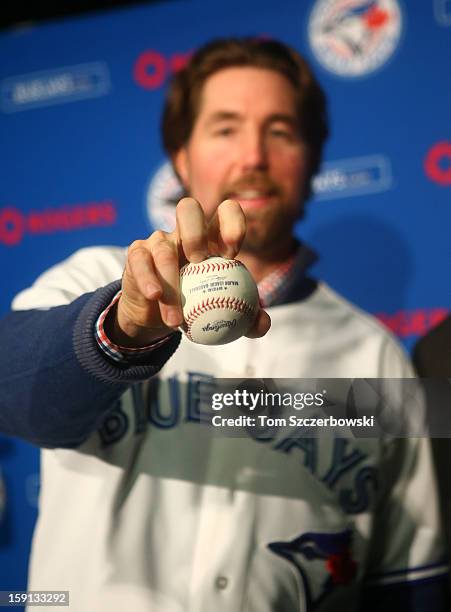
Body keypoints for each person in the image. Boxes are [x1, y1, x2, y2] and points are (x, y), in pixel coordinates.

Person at [0, 37, 449, 611]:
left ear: (312, 157)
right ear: (181, 157)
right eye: (225, 128)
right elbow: (14, 394)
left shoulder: (375, 353)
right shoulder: (94, 274)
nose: (254, 156)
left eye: (281, 131)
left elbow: (407, 581)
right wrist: (123, 329)